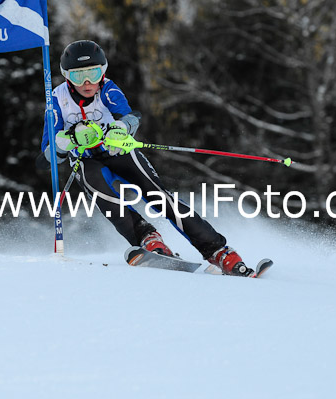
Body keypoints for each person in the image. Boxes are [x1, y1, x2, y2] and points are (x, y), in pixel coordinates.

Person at [40, 40, 254, 277]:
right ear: (66, 76)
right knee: (104, 195)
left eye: (93, 72)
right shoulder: (56, 99)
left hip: (117, 151)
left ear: (103, 70)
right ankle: (148, 238)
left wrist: (121, 127)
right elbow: (50, 154)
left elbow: (131, 116)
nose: (88, 82)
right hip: (85, 160)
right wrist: (68, 139)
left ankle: (219, 251)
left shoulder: (108, 88)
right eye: (79, 76)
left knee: (158, 195)